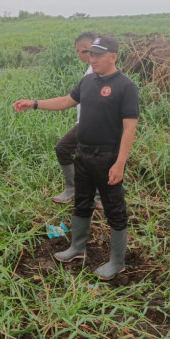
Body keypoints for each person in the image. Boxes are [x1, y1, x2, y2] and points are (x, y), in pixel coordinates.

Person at [13, 35, 139, 279]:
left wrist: (120, 163)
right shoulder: (88, 81)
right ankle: (77, 248)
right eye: (91, 54)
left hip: (108, 157)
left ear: (113, 57)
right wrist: (35, 103)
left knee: (114, 208)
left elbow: (130, 127)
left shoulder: (126, 87)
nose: (93, 59)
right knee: (82, 202)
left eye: (98, 55)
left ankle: (117, 261)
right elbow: (66, 101)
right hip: (83, 153)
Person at [53, 31, 100, 208]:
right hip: (85, 123)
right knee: (80, 154)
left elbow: (69, 101)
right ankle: (84, 193)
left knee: (70, 151)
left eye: (79, 51)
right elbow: (71, 100)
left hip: (91, 125)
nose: (78, 54)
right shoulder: (91, 71)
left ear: (87, 50)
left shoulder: (95, 73)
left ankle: (85, 193)